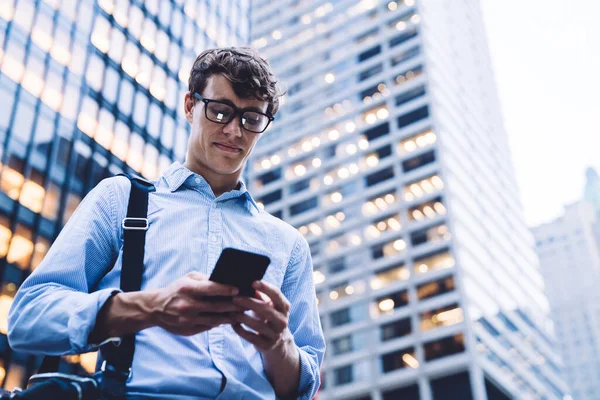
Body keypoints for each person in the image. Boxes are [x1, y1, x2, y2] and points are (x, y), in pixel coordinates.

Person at [8, 47, 325, 400]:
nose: (234, 131)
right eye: (220, 112)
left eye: (251, 119)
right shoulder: (122, 200)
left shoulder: (288, 243)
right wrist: (152, 306)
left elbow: (301, 388)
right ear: (191, 105)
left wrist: (278, 344)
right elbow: (28, 319)